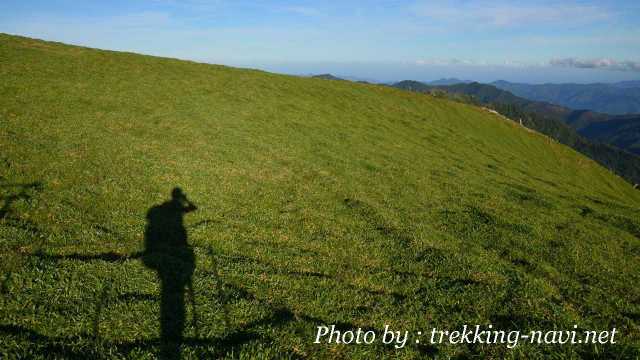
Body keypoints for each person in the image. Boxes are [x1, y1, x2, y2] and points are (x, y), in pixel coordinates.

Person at [143, 187, 197, 359]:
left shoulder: (163, 209)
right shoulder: (175, 208)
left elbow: (193, 208)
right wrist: (186, 199)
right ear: (178, 198)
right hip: (174, 248)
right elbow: (193, 207)